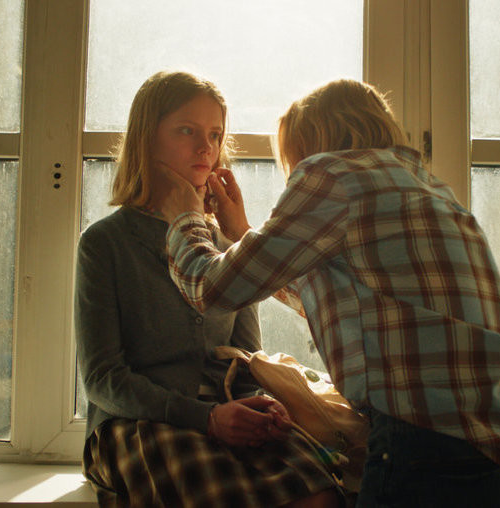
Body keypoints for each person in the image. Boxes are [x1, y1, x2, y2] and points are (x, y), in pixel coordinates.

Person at [160, 79, 500, 507]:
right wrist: (242, 233)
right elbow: (344, 296)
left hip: (434, 448)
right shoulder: (426, 187)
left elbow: (210, 289)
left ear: (311, 143)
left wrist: (185, 215)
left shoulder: (332, 174)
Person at [74, 70, 343, 508]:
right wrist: (208, 418)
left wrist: (264, 404)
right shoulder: (105, 243)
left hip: (227, 416)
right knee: (221, 495)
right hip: (138, 423)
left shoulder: (224, 247)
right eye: (187, 130)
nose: (206, 147)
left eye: (215, 134)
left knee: (320, 492)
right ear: (147, 138)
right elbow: (103, 379)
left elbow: (245, 359)